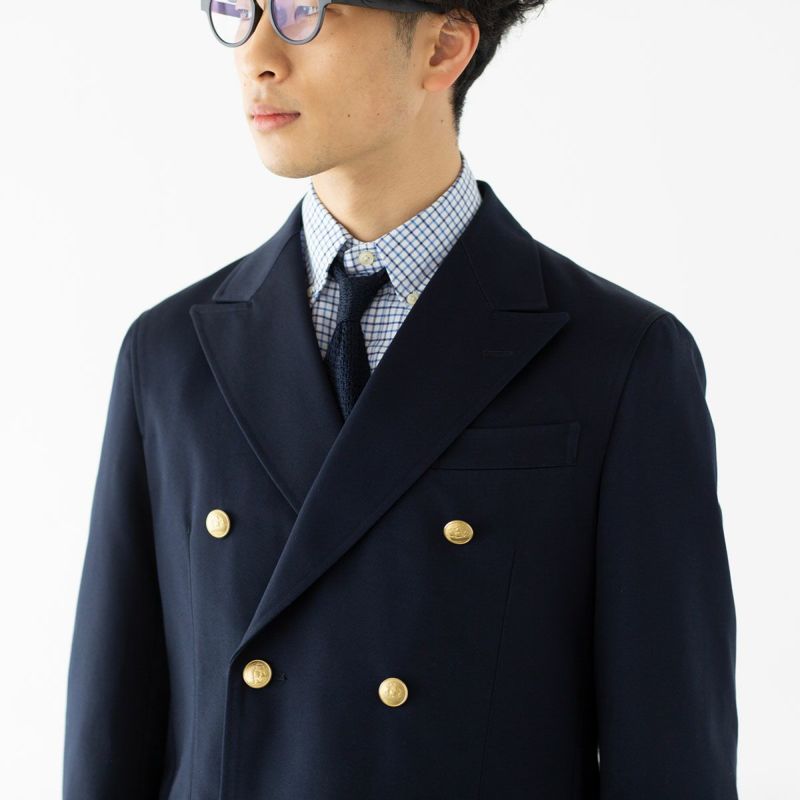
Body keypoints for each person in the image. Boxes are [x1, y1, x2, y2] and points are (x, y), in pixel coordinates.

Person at [63, 2, 739, 798]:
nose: (257, 54)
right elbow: (111, 734)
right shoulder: (170, 357)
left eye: (305, 11)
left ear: (442, 47)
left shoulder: (618, 360)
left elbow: (671, 753)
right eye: (238, 9)